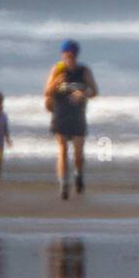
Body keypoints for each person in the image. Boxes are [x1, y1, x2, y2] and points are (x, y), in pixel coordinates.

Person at [44, 39, 98, 200]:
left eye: (72, 54)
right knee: (62, 151)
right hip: (60, 114)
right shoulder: (57, 70)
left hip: (78, 115)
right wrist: (55, 83)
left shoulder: (83, 71)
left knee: (78, 153)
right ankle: (63, 184)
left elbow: (94, 91)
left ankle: (78, 175)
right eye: (67, 54)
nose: (70, 57)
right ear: (62, 54)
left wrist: (84, 93)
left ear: (76, 54)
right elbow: (47, 92)